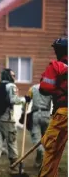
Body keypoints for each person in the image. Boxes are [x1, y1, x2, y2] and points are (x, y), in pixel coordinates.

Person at [37, 37, 68, 177]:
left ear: (58, 51)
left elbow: (44, 88)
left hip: (63, 112)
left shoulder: (57, 66)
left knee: (49, 146)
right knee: (57, 148)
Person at [0, 68, 25, 176]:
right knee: (12, 143)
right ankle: (14, 168)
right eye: (13, 75)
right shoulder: (11, 86)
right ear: (8, 76)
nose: (14, 77)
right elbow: (13, 100)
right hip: (7, 121)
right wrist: (24, 100)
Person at [23, 83, 52, 168]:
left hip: (36, 115)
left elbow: (27, 100)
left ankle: (42, 160)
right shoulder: (51, 88)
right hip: (47, 115)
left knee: (37, 141)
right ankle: (40, 162)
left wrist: (23, 111)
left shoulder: (33, 88)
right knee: (46, 140)